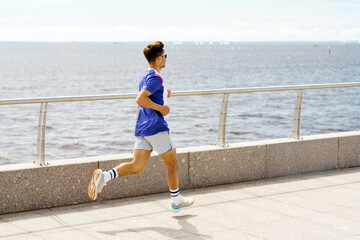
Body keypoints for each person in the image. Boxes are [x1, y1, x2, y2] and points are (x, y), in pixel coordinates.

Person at [87, 41, 194, 212]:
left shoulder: (146, 75)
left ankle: (105, 177)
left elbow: (143, 101)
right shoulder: (155, 78)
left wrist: (164, 96)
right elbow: (141, 99)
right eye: (165, 56)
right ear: (159, 58)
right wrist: (162, 108)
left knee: (137, 166)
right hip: (156, 127)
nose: (166, 58)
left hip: (142, 127)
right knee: (172, 164)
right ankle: (176, 200)